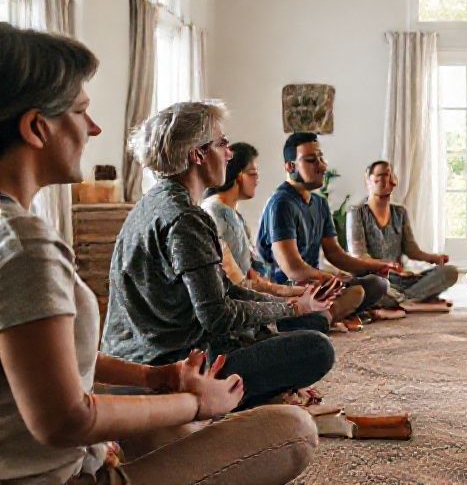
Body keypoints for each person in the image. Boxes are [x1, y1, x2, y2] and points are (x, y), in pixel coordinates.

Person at [0, 23, 316, 485]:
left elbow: (47, 357)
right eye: (82, 111)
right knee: (293, 431)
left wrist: (157, 380)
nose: (95, 128)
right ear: (35, 127)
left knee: (178, 427)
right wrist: (197, 401)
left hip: (82, 433)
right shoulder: (27, 246)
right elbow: (63, 420)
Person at [102, 102, 337, 411]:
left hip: (137, 356)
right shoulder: (185, 219)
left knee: (305, 322)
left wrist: (295, 307)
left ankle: (267, 392)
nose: (229, 152)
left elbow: (223, 290)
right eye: (222, 143)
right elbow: (219, 316)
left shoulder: (154, 202)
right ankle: (246, 398)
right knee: (316, 349)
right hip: (165, 369)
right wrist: (291, 307)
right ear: (197, 154)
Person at [202, 142, 363, 321]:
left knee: (358, 289)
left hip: (262, 294)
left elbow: (255, 279)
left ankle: (323, 314)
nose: (258, 180)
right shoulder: (218, 213)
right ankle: (323, 316)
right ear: (239, 175)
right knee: (319, 335)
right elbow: (240, 288)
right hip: (243, 309)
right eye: (254, 174)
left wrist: (298, 292)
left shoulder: (232, 214)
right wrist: (294, 300)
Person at [256, 132, 397, 323]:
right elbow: (293, 270)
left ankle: (332, 313)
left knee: (377, 283)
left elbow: (336, 255)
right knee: (355, 292)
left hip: (316, 285)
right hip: (289, 291)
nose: (322, 166)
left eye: (321, 158)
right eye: (311, 160)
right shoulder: (281, 203)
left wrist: (375, 266)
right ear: (290, 166)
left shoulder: (319, 203)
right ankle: (322, 318)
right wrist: (331, 277)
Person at [347, 160, 458, 311]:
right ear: (369, 180)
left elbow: (411, 249)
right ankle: (417, 302)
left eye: (388, 175)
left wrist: (433, 258)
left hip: (402, 279)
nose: (385, 181)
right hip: (379, 279)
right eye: (380, 176)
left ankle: (405, 302)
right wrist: (387, 267)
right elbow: (359, 255)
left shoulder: (400, 212)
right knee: (372, 288)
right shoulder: (357, 212)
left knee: (449, 272)